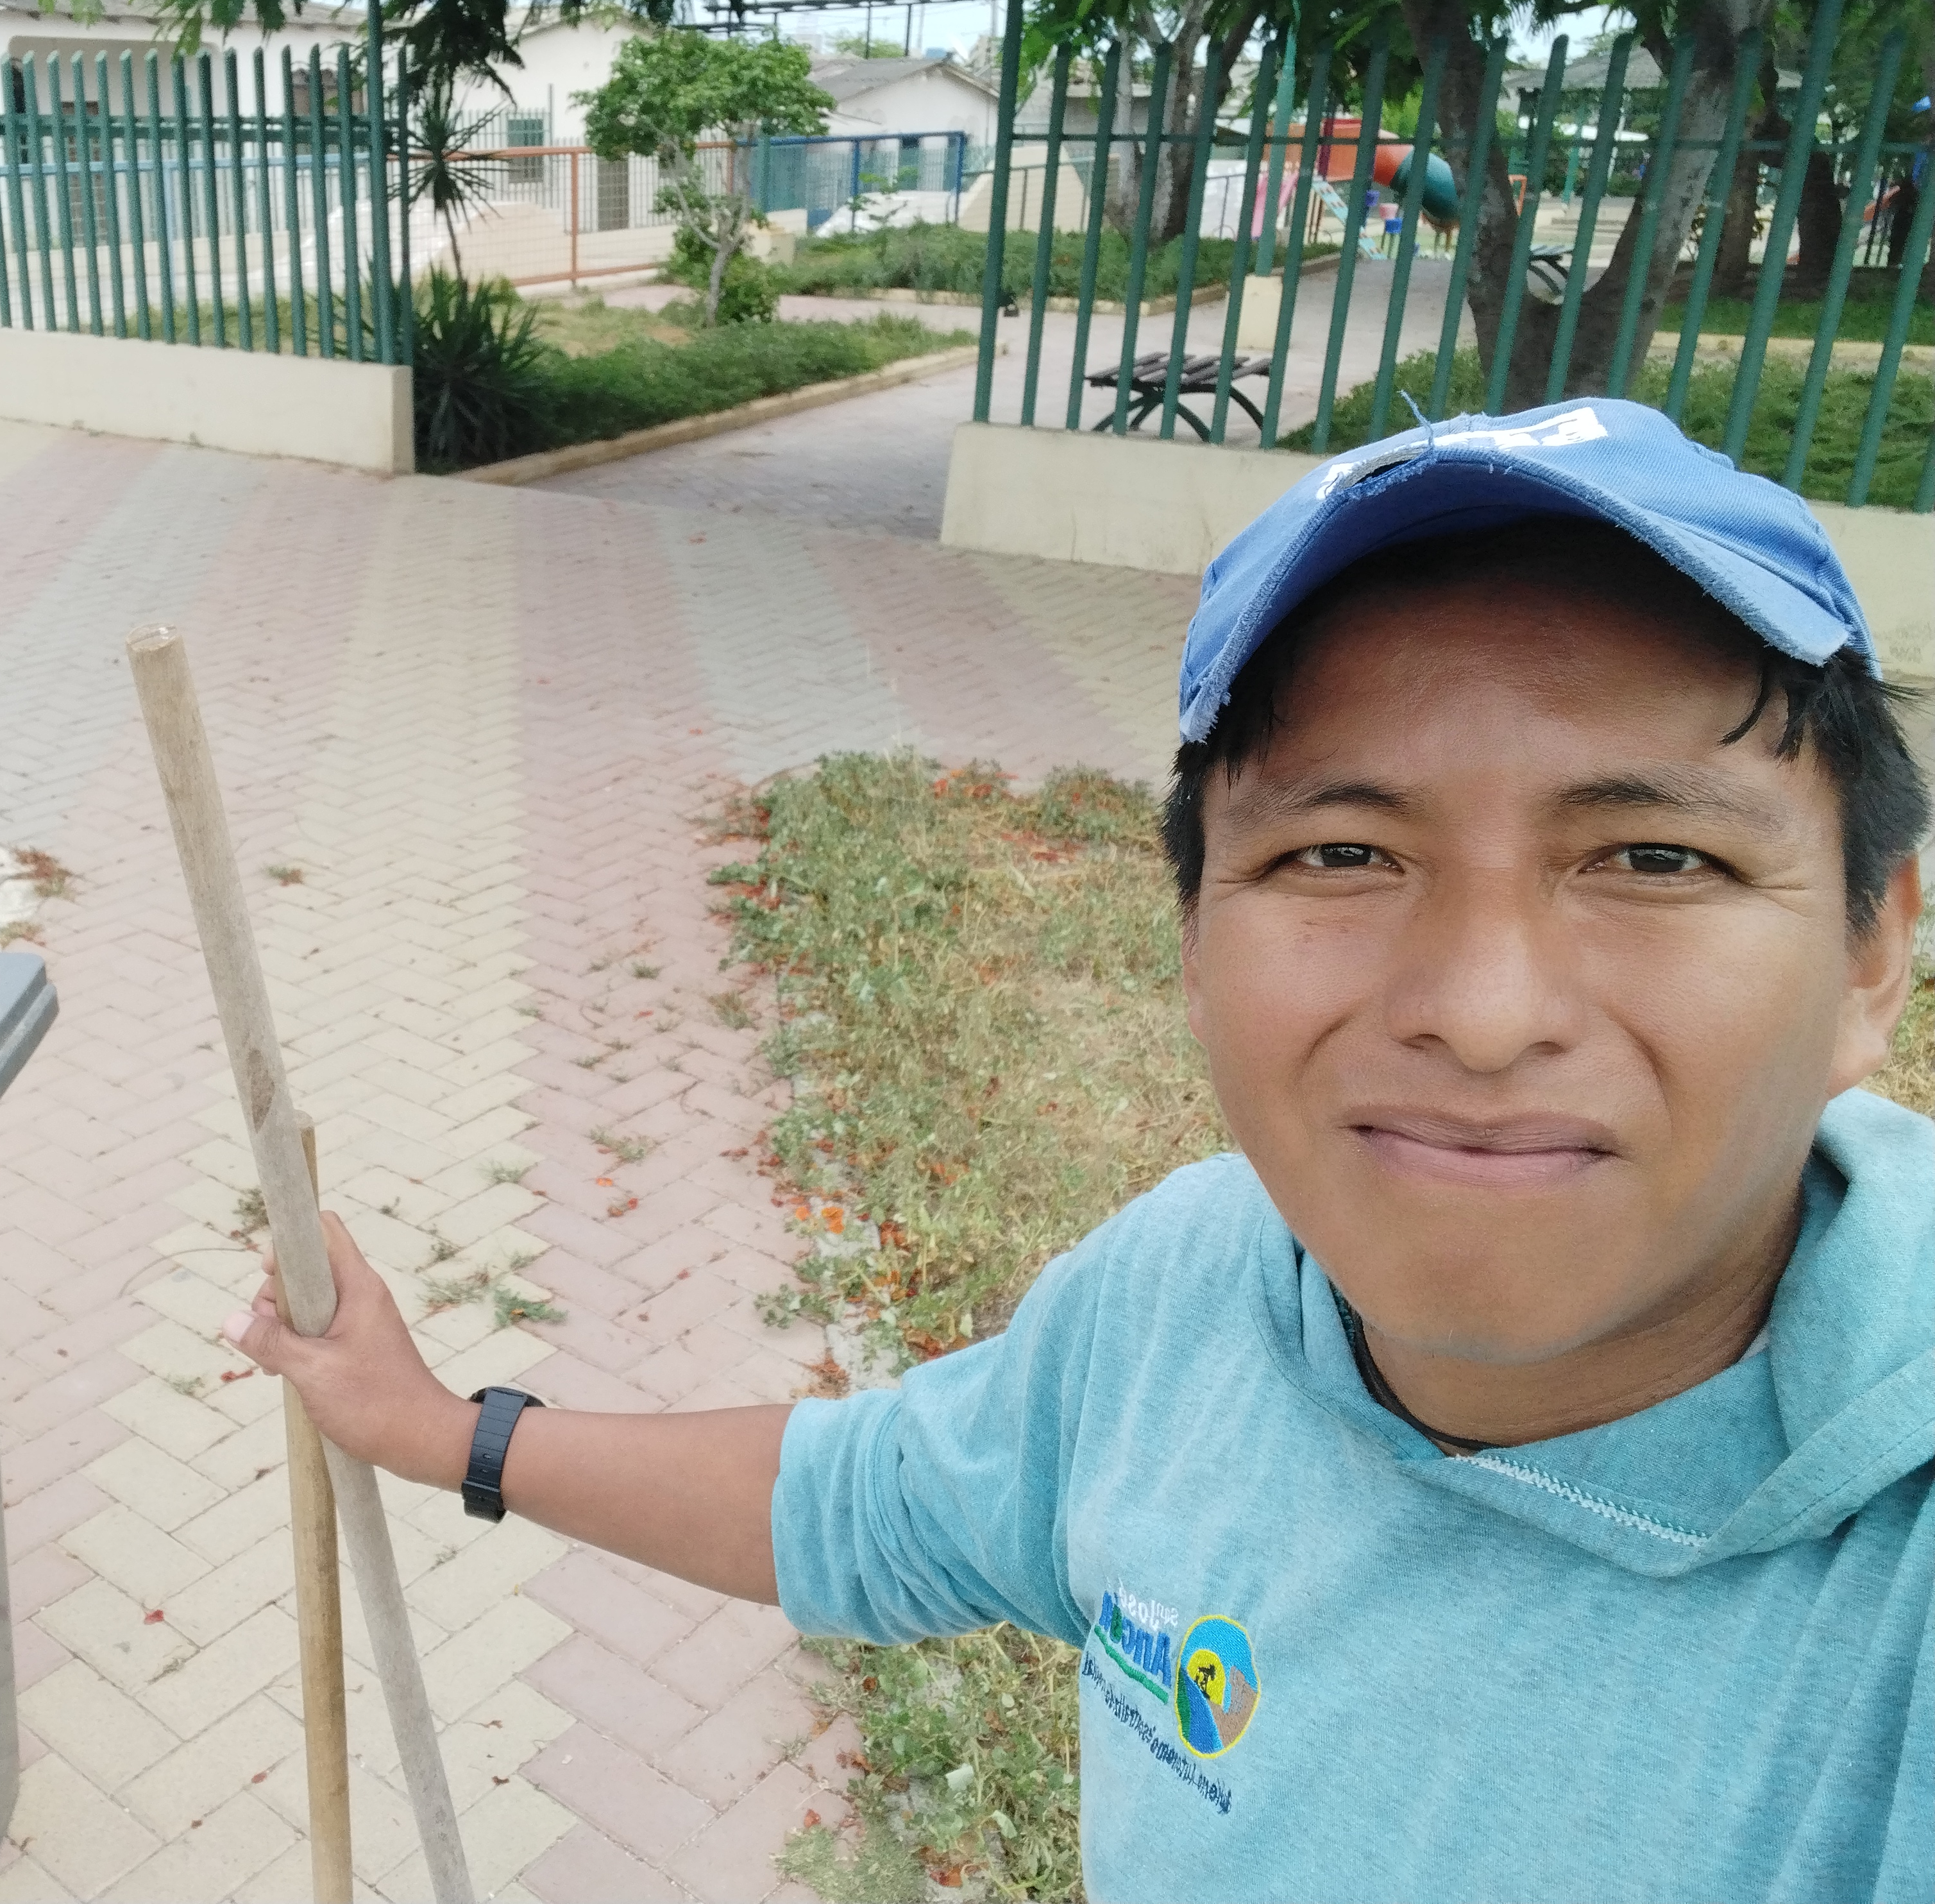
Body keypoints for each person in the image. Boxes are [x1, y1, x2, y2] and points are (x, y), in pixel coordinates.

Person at [224, 398, 1933, 1901]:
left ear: (1875, 950)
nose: (1485, 1015)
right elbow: (879, 1503)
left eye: (1655, 859)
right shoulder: (1187, 1291)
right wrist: (445, 1433)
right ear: (1192, 943)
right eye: (1343, 854)